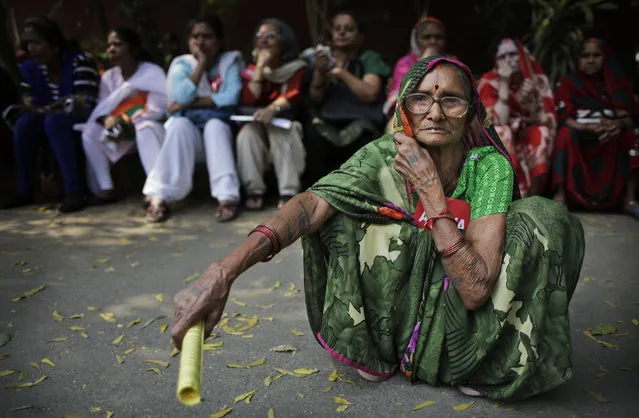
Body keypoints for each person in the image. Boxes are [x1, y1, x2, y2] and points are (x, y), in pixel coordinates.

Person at [172, 56, 585, 401]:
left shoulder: (488, 166)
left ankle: (478, 360)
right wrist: (222, 272)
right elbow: (311, 204)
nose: (436, 113)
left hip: (465, 319)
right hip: (400, 308)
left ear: (472, 112)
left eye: (452, 101)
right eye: (421, 99)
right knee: (339, 208)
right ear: (404, 108)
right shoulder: (386, 155)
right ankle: (375, 345)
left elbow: (476, 289)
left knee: (540, 218)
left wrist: (431, 193)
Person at [142, 15, 243, 223]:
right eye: (195, 36)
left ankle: (227, 197)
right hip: (191, 140)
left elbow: (231, 97)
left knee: (215, 125)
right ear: (189, 41)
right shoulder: (181, 64)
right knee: (179, 124)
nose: (200, 41)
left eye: (207, 36)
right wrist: (201, 64)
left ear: (220, 41)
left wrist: (189, 104)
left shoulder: (230, 61)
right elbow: (179, 98)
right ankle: (160, 196)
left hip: (222, 136)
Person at [0, 16, 99, 213]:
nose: (31, 49)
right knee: (24, 123)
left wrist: (48, 108)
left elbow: (85, 101)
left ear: (54, 45)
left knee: (55, 121)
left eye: (36, 43)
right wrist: (52, 107)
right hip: (49, 118)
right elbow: (29, 104)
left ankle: (75, 192)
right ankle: (26, 190)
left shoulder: (80, 61)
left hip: (81, 119)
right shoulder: (29, 68)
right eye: (28, 44)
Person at [551, 38, 639, 216]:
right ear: (578, 59)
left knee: (631, 136)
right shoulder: (568, 83)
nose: (591, 60)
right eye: (586, 56)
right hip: (581, 133)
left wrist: (618, 125)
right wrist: (588, 127)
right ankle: (560, 196)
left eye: (596, 55)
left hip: (610, 134)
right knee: (564, 135)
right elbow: (564, 118)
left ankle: (629, 200)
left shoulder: (616, 83)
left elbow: (629, 117)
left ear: (604, 57)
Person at [303, 11, 391, 185]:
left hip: (360, 122)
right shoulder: (321, 59)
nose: (342, 33)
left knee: (365, 139)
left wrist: (339, 72)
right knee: (311, 133)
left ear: (359, 37)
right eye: (337, 29)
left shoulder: (369, 58)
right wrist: (320, 74)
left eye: (349, 29)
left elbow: (370, 93)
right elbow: (315, 100)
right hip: (327, 122)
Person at [82, 27, 167, 204]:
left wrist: (128, 121)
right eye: (109, 45)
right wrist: (108, 120)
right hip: (119, 131)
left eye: (117, 44)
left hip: (148, 127)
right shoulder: (108, 78)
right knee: (88, 133)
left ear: (133, 49)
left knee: (145, 128)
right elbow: (100, 108)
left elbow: (158, 109)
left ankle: (155, 191)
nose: (111, 49)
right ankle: (106, 188)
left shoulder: (152, 72)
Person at [236, 18, 307, 211]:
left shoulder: (297, 68)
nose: (263, 40)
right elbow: (250, 99)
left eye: (270, 36)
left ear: (284, 41)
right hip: (258, 126)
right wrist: (260, 68)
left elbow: (294, 94)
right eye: (259, 36)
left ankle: (288, 192)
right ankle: (254, 190)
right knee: (247, 134)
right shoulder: (251, 70)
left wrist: (272, 109)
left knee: (280, 130)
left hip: (287, 124)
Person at [478, 38, 557, 197]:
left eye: (513, 54)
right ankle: (510, 195)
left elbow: (548, 120)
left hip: (524, 137)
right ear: (496, 61)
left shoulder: (533, 79)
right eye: (503, 56)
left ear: (521, 55)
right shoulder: (488, 82)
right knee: (502, 132)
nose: (508, 60)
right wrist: (505, 85)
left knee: (542, 133)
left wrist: (530, 105)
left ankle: (534, 197)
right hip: (501, 141)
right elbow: (495, 123)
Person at [384, 16, 447, 117]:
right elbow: (398, 99)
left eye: (438, 37)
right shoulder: (405, 63)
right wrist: (424, 62)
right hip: (410, 114)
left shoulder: (453, 62)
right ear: (416, 40)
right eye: (427, 37)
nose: (433, 41)